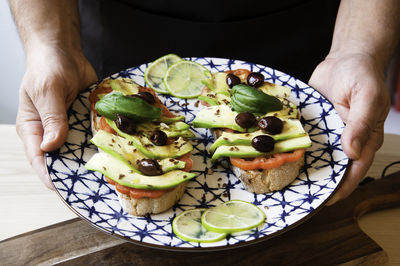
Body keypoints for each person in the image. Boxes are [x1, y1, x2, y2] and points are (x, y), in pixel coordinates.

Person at [9, 0, 400, 205]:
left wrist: (356, 48)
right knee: (123, 111)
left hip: (306, 39)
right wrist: (51, 45)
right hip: (123, 36)